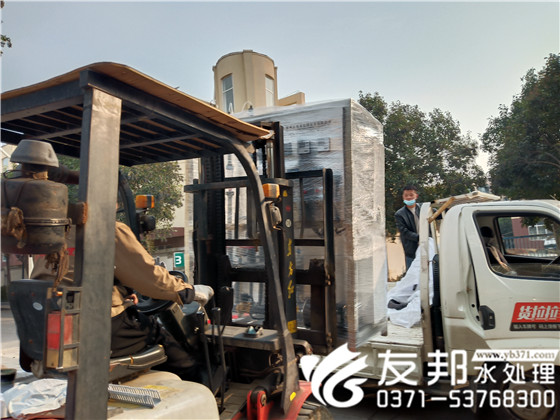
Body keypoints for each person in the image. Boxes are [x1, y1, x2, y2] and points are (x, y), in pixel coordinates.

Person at [31, 221, 212, 382]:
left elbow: (73, 278)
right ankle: (198, 386)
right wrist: (187, 291)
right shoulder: (108, 229)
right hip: (96, 328)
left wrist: (121, 292)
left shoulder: (52, 233)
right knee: (159, 336)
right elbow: (150, 277)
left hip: (48, 327)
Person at [395, 184, 422, 271]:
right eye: (406, 195)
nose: (408, 197)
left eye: (411, 195)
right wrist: (419, 237)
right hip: (411, 251)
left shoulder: (424, 208)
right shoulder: (399, 214)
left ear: (416, 196)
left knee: (430, 274)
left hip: (427, 248)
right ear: (403, 197)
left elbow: (437, 214)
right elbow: (404, 232)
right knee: (412, 274)